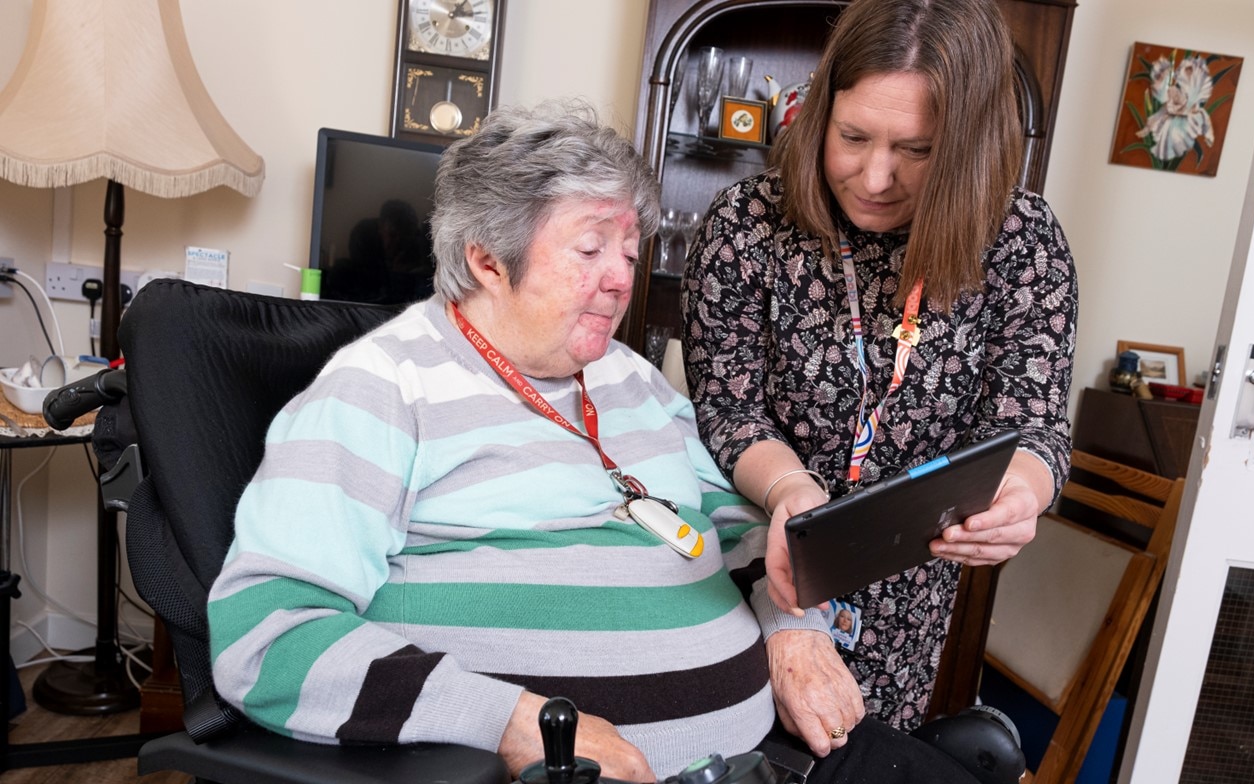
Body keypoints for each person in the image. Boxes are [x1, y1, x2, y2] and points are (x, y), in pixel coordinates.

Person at [206, 100, 982, 784]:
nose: (621, 280)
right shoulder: (380, 388)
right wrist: (509, 722)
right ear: (485, 257)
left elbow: (737, 524)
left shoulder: (630, 379)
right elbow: (268, 636)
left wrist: (792, 630)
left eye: (630, 255)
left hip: (771, 755)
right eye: (589, 251)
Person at [680, 0, 1078, 732]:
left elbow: (1036, 428)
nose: (875, 175)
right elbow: (728, 410)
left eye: (918, 150)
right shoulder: (744, 226)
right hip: (754, 570)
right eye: (852, 136)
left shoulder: (1023, 243)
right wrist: (792, 492)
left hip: (907, 608)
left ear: (969, 145)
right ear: (820, 111)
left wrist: (1020, 494)